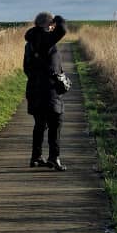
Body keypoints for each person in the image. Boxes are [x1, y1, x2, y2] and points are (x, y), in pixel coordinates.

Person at [23, 11, 67, 170]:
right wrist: (57, 18)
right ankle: (54, 158)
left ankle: (36, 157)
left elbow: (26, 68)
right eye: (51, 24)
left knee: (40, 124)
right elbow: (62, 29)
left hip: (34, 90)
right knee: (56, 123)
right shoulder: (44, 37)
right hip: (49, 91)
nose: (53, 27)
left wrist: (36, 78)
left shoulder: (30, 42)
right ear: (48, 24)